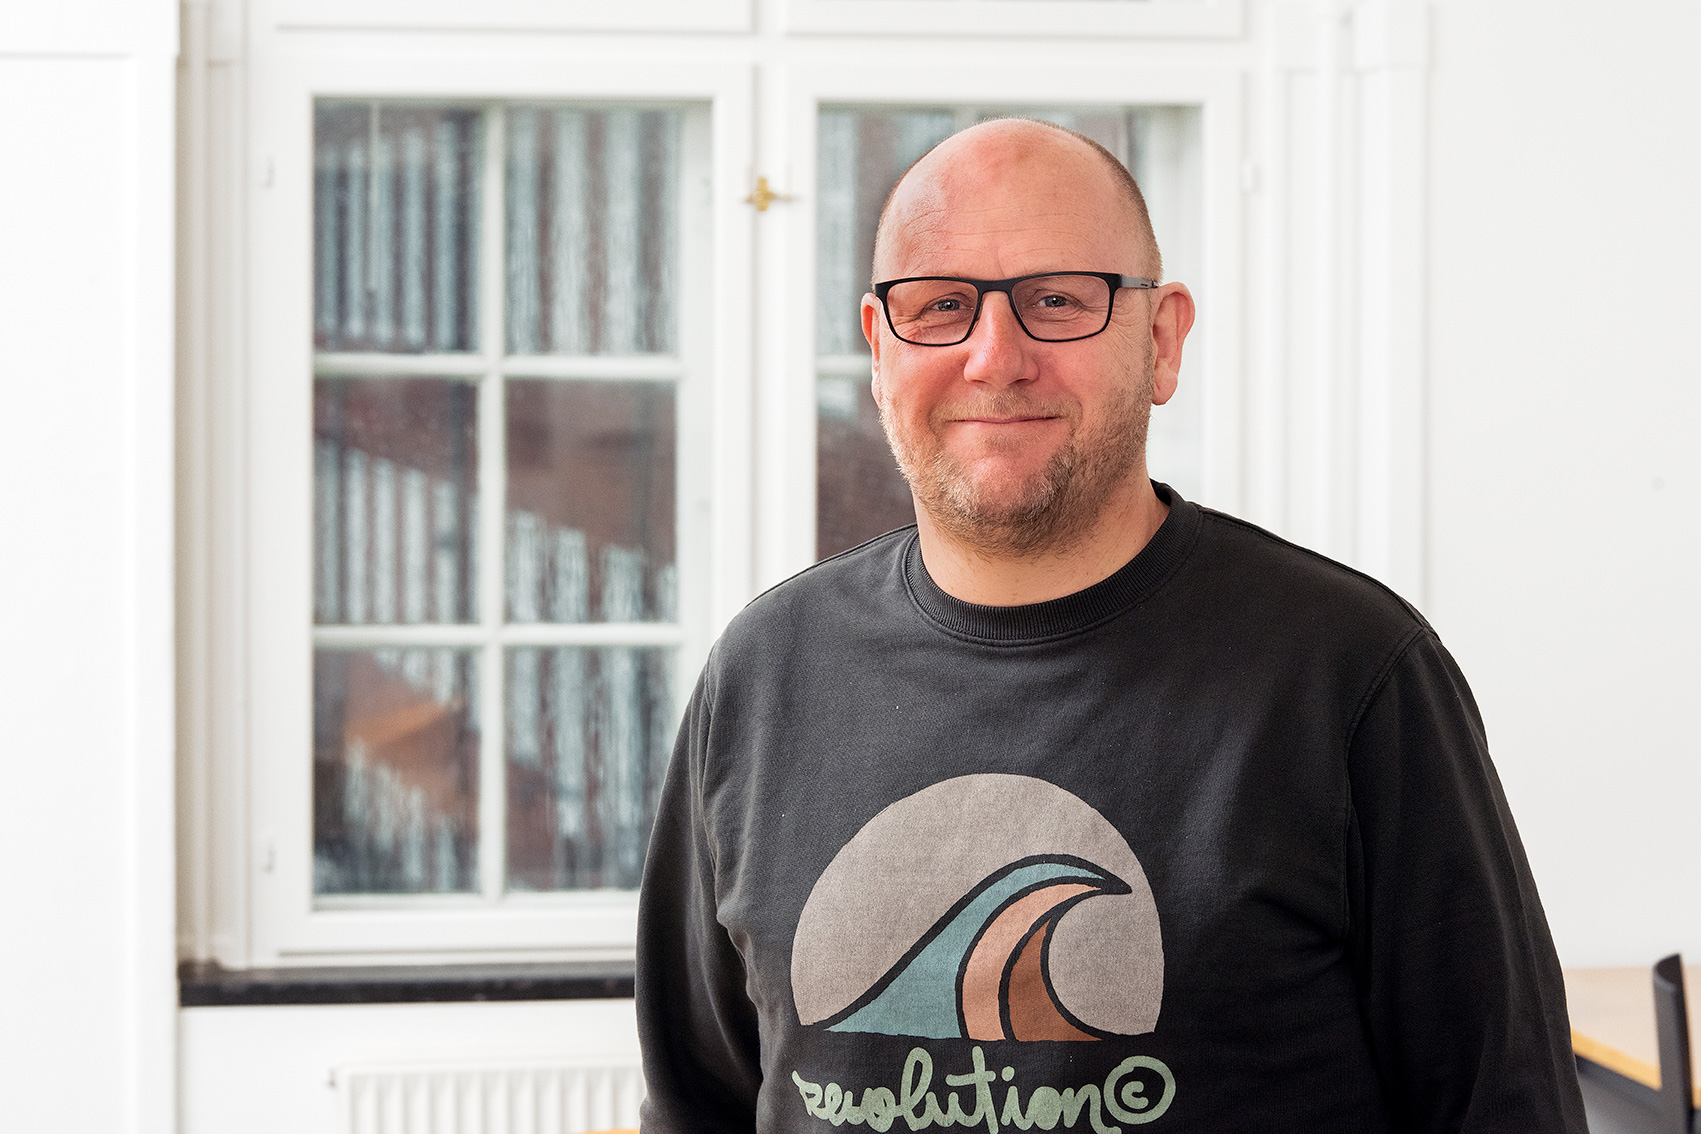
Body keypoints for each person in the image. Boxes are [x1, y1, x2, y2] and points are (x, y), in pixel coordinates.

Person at [635, 118, 1587, 1133]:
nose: (995, 358)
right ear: (879, 348)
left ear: (1161, 340)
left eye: (1056, 300)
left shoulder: (1348, 674)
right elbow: (698, 1108)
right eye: (941, 306)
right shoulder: (763, 676)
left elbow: (1505, 1112)